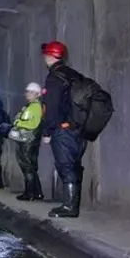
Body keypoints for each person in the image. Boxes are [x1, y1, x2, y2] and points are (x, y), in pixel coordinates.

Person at [41, 40, 87, 218]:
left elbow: (51, 106)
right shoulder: (73, 74)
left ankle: (69, 207)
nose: (44, 57)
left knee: (65, 165)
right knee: (74, 164)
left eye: (46, 54)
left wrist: (47, 131)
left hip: (63, 129)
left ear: (50, 56)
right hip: (79, 127)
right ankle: (71, 203)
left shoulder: (54, 77)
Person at [11, 83, 44, 201]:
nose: (27, 94)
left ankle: (29, 193)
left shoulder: (35, 106)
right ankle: (37, 193)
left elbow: (33, 124)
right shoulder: (31, 106)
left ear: (37, 93)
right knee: (31, 166)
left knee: (27, 166)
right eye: (27, 91)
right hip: (31, 139)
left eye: (31, 92)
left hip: (28, 140)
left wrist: (18, 123)